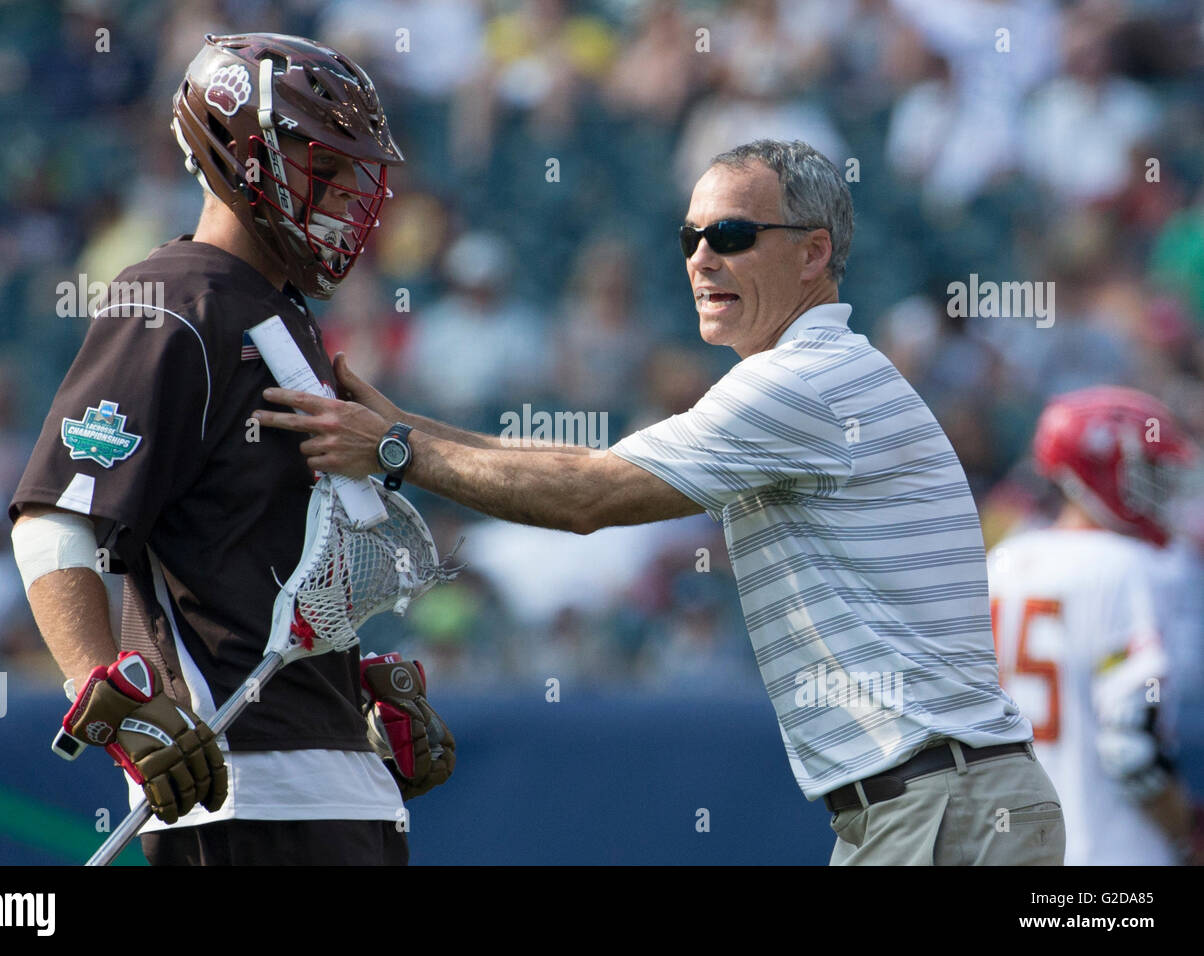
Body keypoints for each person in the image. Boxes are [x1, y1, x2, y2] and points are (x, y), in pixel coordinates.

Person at [253, 138, 1064, 865]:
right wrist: (402, 425)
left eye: (733, 235)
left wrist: (396, 451)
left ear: (815, 253)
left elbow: (587, 498)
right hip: (931, 803)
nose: (703, 258)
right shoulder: (811, 374)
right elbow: (589, 464)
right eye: (691, 237)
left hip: (942, 807)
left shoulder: (802, 381)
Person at [9, 33, 432, 866]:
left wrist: (349, 690)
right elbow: (57, 521)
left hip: (334, 787)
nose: (350, 196)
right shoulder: (170, 298)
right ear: (245, 154)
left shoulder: (282, 313)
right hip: (239, 792)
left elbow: (257, 555)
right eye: (326, 164)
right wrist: (110, 695)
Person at [988, 386, 1204, 865]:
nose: (1157, 488)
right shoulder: (1130, 567)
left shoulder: (1002, 562)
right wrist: (1187, 831)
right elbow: (1131, 748)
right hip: (1112, 851)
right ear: (1101, 468)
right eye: (1147, 472)